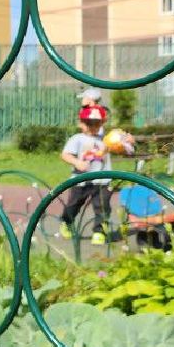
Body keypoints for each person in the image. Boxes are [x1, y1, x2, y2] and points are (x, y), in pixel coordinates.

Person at [58, 104, 113, 245]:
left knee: (102, 206)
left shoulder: (107, 139)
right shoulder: (77, 138)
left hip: (102, 180)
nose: (92, 127)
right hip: (80, 179)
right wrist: (77, 162)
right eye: (88, 123)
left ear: (102, 123)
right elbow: (65, 155)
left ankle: (99, 232)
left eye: (96, 123)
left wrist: (127, 140)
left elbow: (123, 146)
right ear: (81, 123)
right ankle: (67, 222)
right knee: (74, 204)